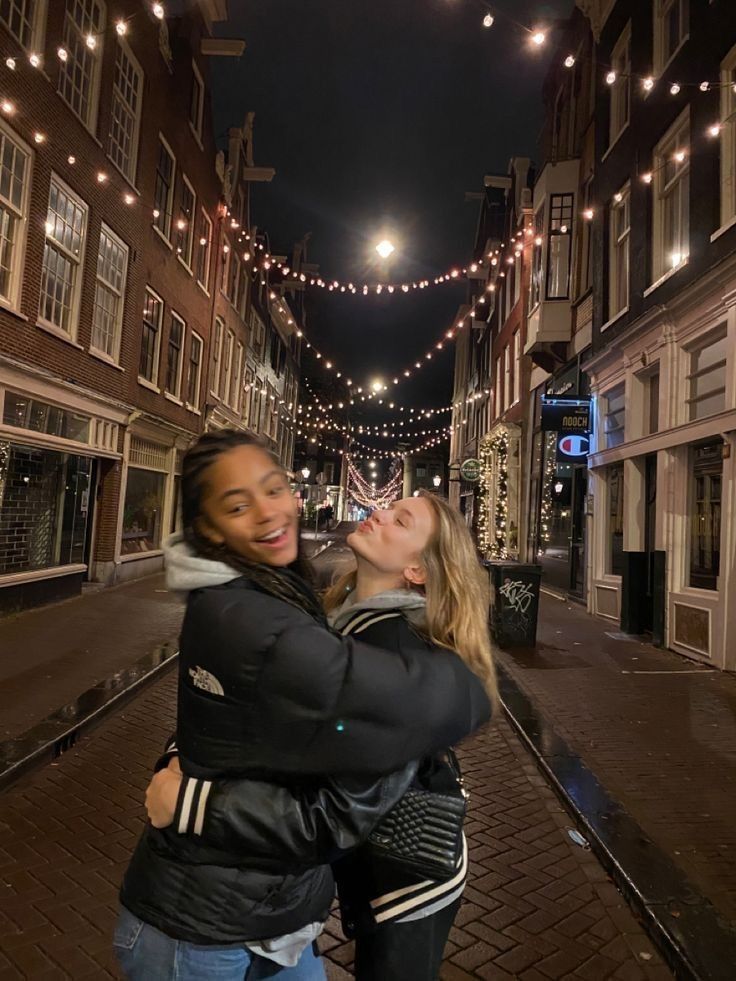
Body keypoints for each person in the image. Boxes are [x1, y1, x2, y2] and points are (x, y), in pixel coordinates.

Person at [116, 431, 490, 980]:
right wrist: (185, 755)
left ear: (419, 572)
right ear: (210, 527)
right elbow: (241, 706)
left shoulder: (388, 652)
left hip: (393, 891)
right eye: (239, 504)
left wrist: (191, 797)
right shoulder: (318, 619)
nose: (379, 513)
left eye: (400, 521)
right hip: (233, 925)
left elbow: (332, 812)